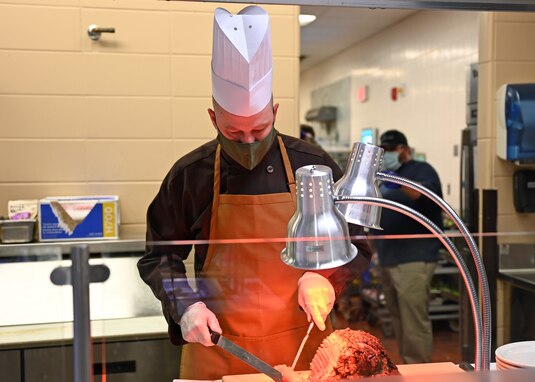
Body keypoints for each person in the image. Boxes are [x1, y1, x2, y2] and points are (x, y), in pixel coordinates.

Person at [137, 5, 371, 380]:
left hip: (304, 345)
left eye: (259, 131)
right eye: (234, 133)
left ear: (275, 112)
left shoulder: (312, 164)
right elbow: (159, 258)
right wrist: (186, 306)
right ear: (213, 118)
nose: (248, 142)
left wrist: (325, 277)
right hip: (219, 346)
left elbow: (357, 239)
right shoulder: (189, 175)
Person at [373, 129, 443, 364]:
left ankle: (420, 372)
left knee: (414, 320)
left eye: (393, 150)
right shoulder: (381, 176)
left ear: (406, 150)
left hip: (414, 257)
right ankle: (408, 368)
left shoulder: (421, 170)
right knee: (398, 318)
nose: (389, 155)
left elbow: (426, 196)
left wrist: (396, 180)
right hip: (388, 257)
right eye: (385, 151)